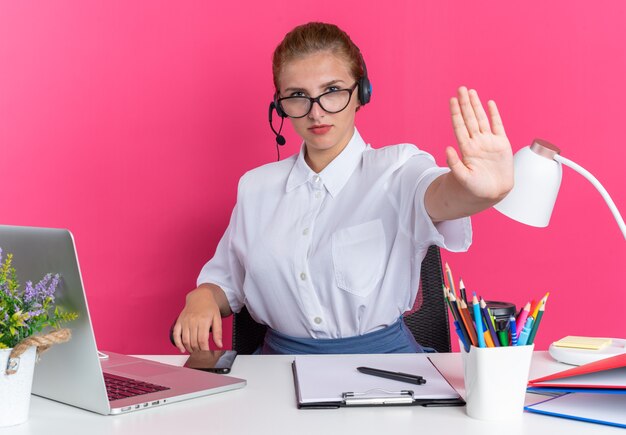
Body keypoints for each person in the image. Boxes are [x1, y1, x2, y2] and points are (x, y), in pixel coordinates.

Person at [172, 22, 513, 355]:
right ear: (280, 106)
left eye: (332, 91)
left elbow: (442, 196)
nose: (316, 112)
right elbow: (227, 282)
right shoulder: (255, 187)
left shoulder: (398, 169)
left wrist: (482, 193)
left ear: (361, 93)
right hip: (278, 373)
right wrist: (202, 295)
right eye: (297, 96)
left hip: (384, 374)